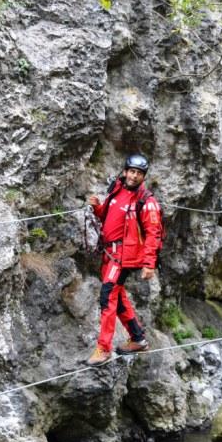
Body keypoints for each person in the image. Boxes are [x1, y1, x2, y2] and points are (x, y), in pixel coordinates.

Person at [85, 154, 163, 366]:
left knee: (107, 296)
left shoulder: (146, 201)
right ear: (126, 171)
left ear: (143, 176)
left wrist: (149, 264)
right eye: (131, 171)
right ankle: (137, 338)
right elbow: (109, 217)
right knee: (117, 299)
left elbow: (153, 233)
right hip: (109, 253)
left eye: (138, 173)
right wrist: (97, 208)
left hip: (122, 257)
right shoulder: (117, 189)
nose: (134, 176)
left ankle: (103, 348)